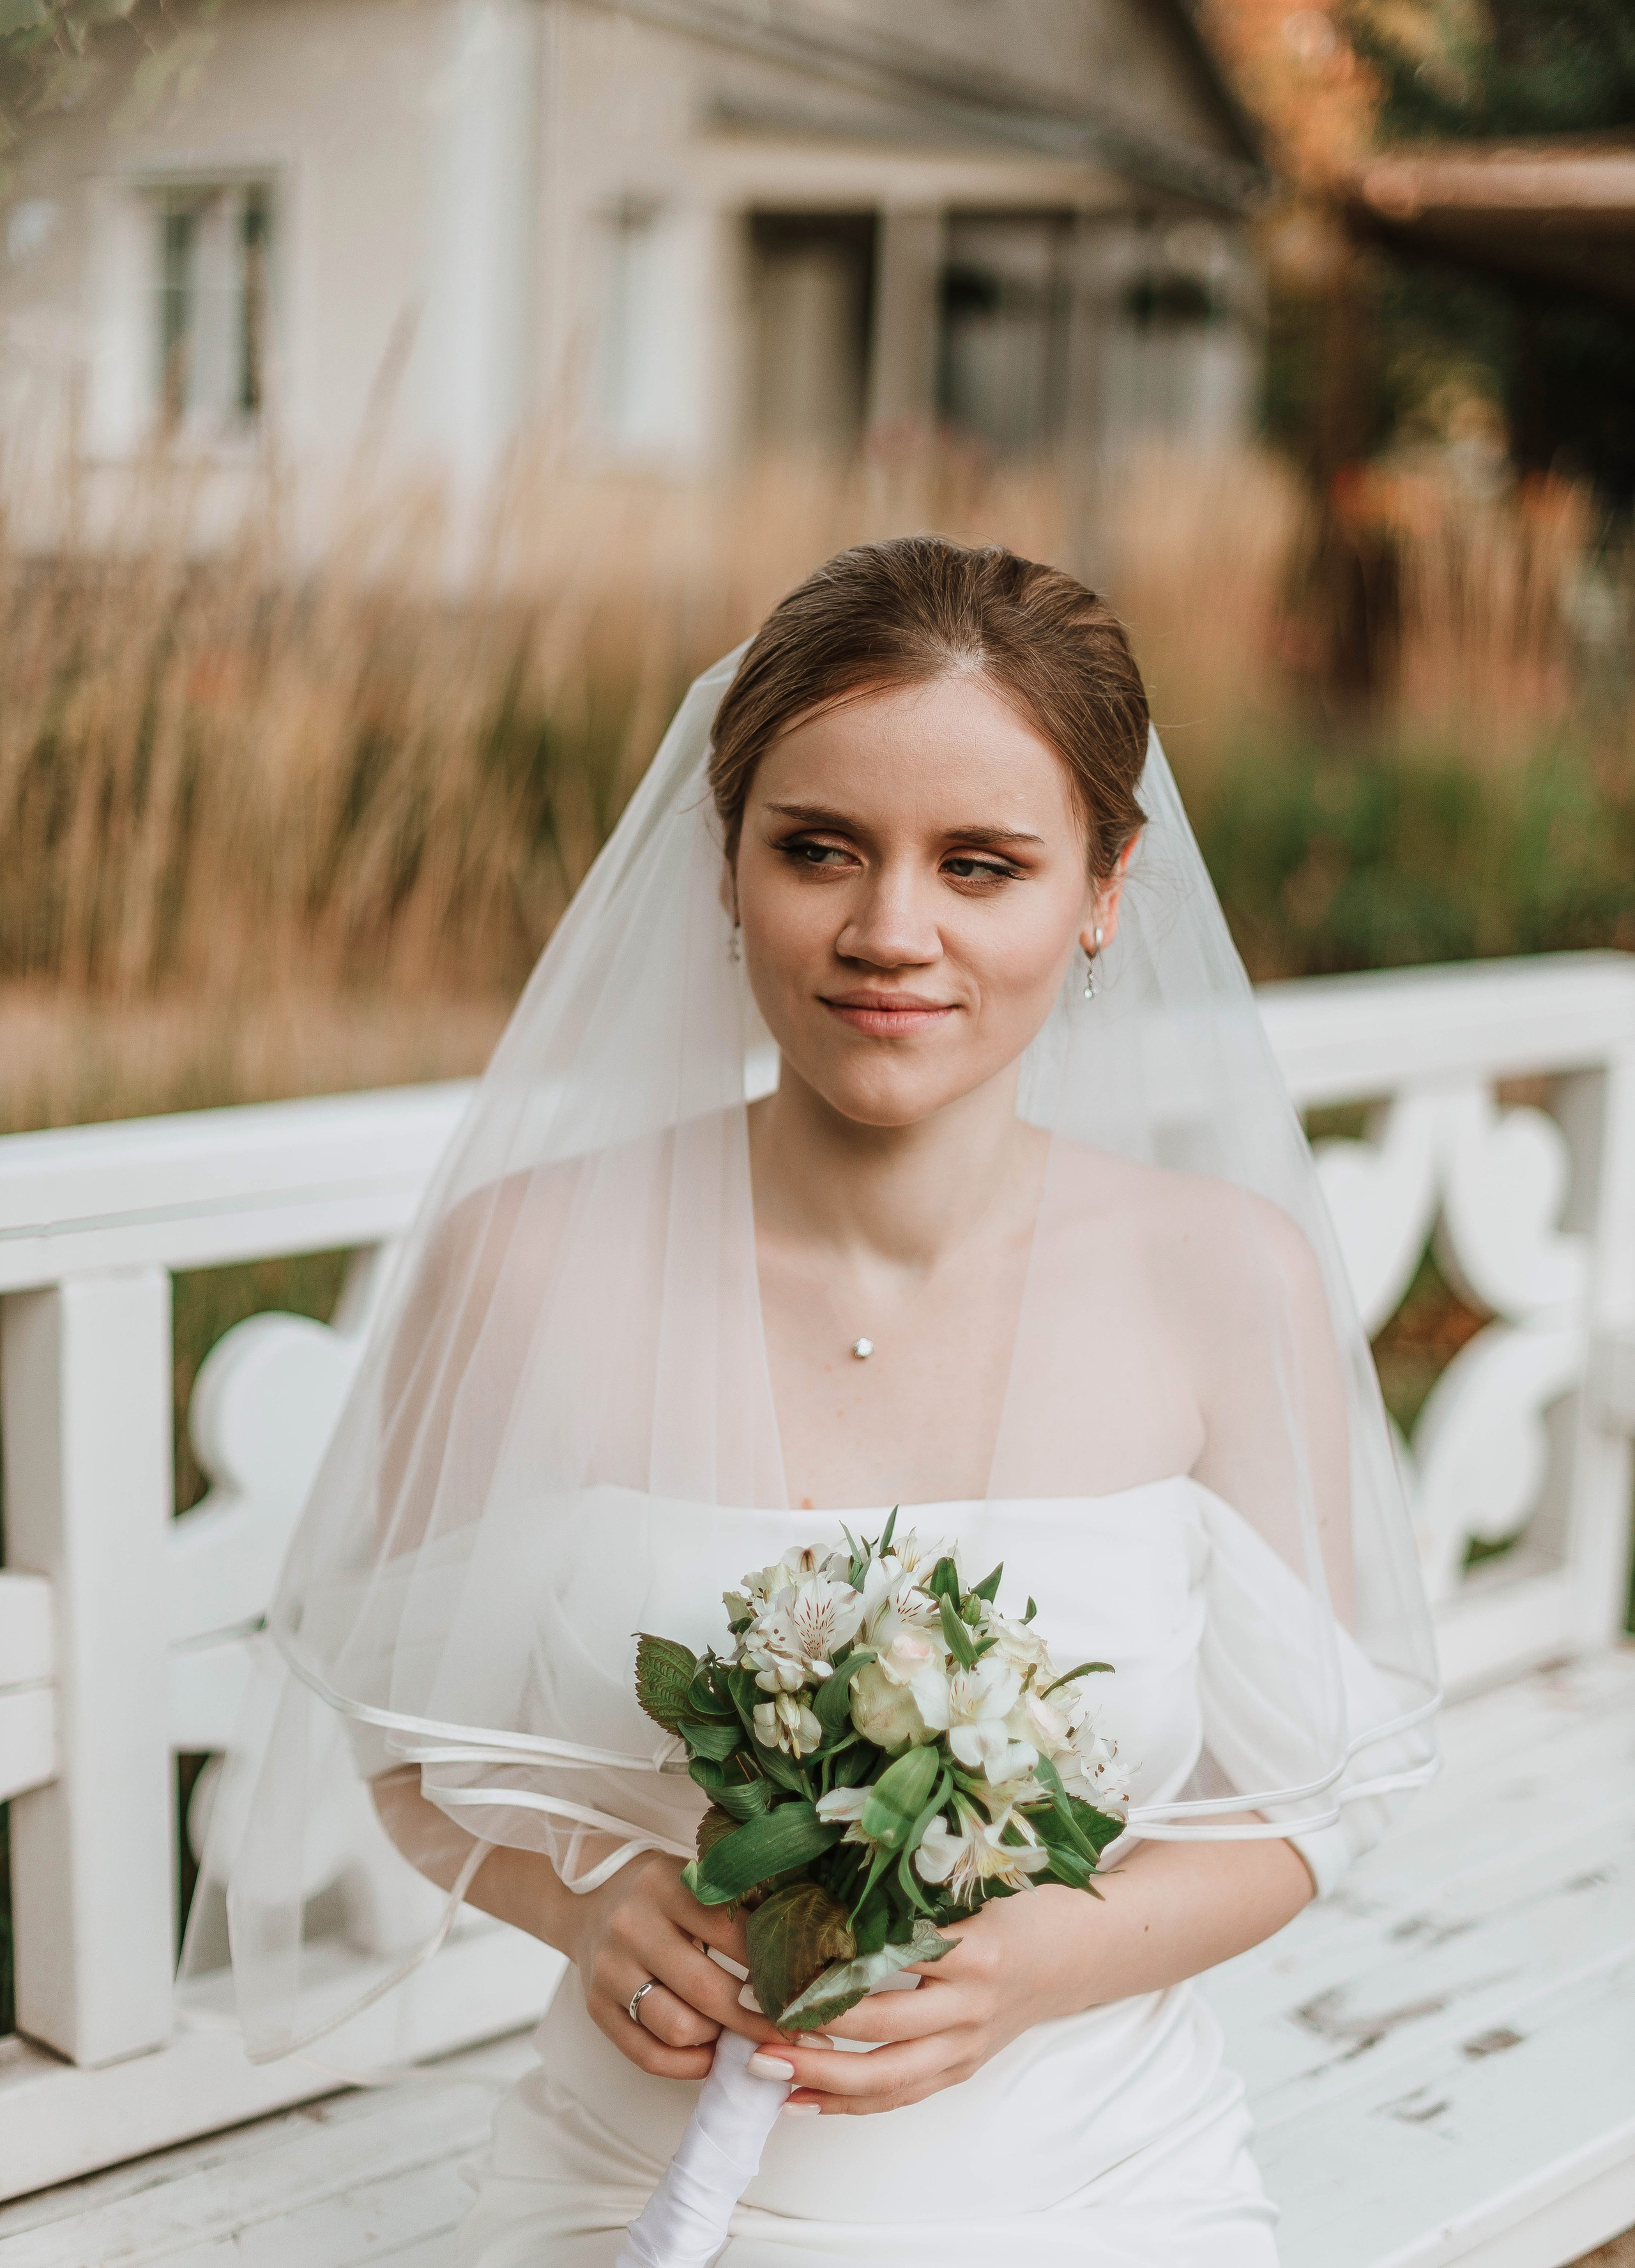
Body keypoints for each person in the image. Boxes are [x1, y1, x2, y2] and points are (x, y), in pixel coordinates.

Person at [229, 538, 1437, 2265]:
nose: (890, 932)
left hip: (1099, 2193)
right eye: (818, 849)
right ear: (726, 865)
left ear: (1105, 888)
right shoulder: (528, 1262)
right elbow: (405, 1743)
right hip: (630, 2190)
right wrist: (586, 1906)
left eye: (982, 864)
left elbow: (1306, 1796)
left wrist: (1048, 1962)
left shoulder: (1225, 1276)